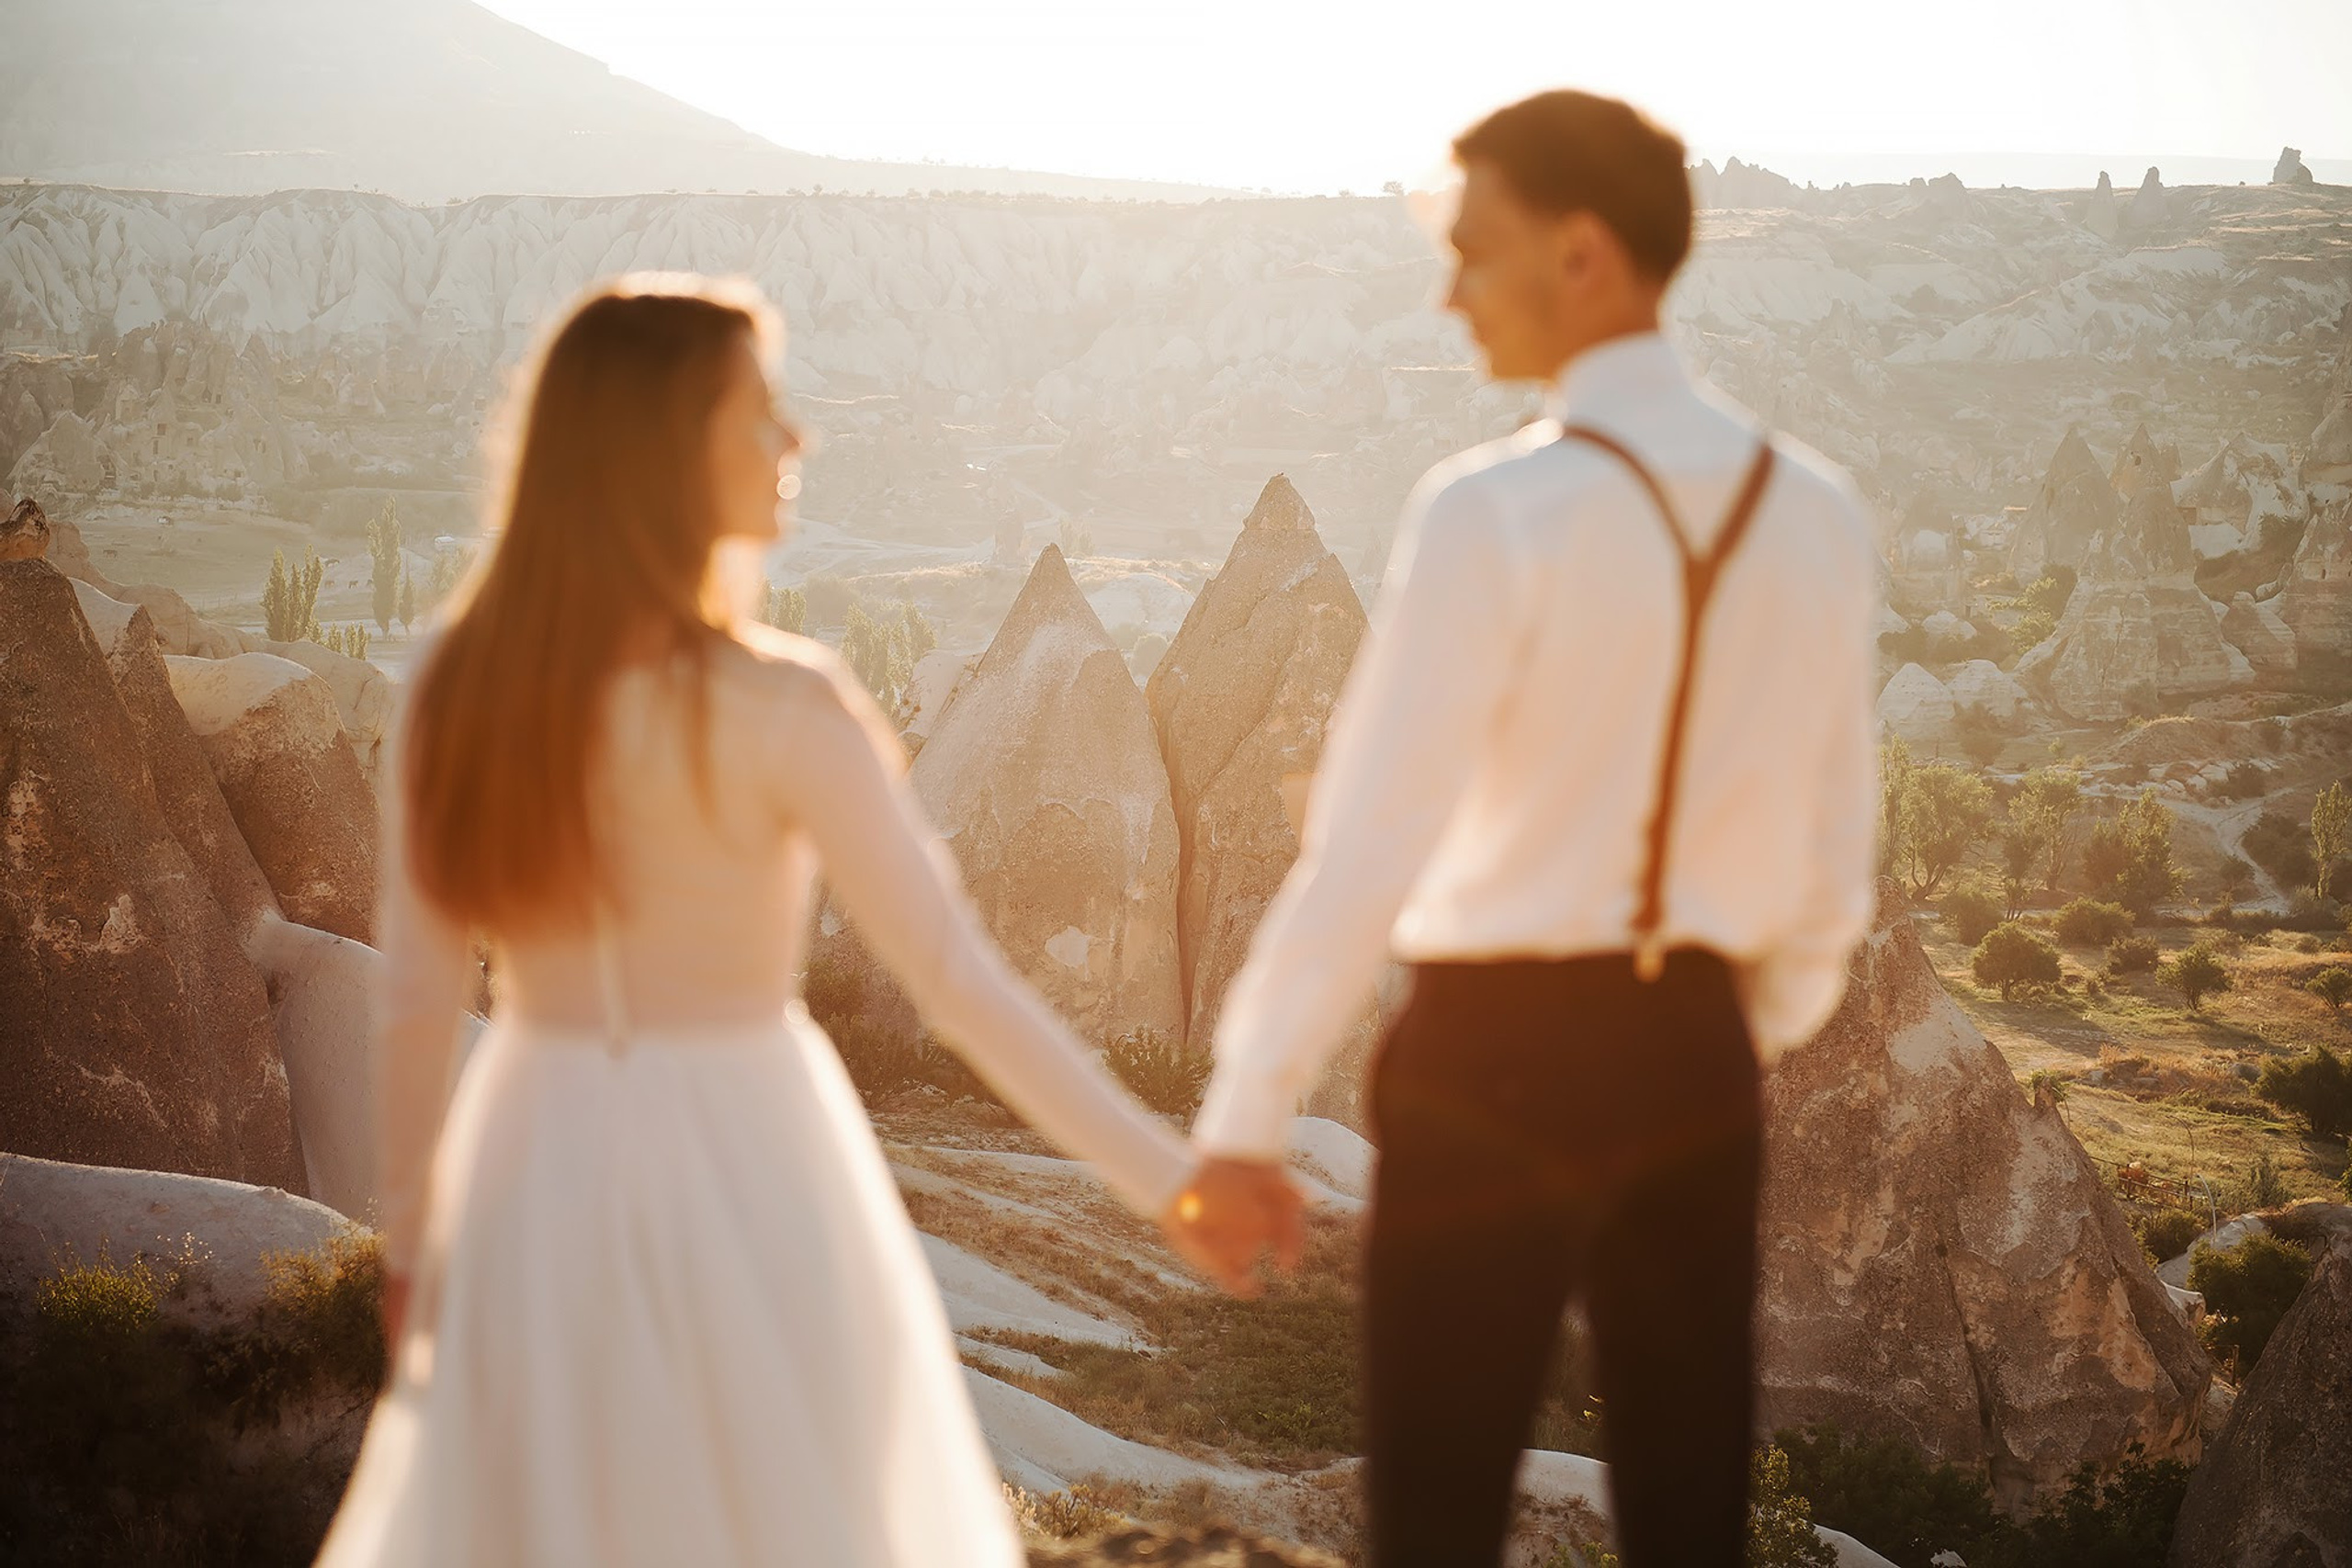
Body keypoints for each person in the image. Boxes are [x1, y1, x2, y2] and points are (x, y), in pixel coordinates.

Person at [316, 273, 1300, 1568]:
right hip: (754, 1156)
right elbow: (959, 983)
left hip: (535, 1153)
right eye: (760, 413)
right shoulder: (788, 704)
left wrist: (408, 1238)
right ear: (666, 451)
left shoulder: (459, 678)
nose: (798, 442)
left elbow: (417, 992)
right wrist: (1163, 1180)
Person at [1182, 92, 1881, 1567]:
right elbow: (1831, 872)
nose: (1447, 290)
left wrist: (1247, 1115)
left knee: (1439, 1495)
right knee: (1689, 1503)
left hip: (1490, 1048)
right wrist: (1717, 1023)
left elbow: (1364, 846)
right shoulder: (1816, 513)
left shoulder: (1489, 510)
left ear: (1580, 253)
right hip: (1696, 1046)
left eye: (1471, 247)